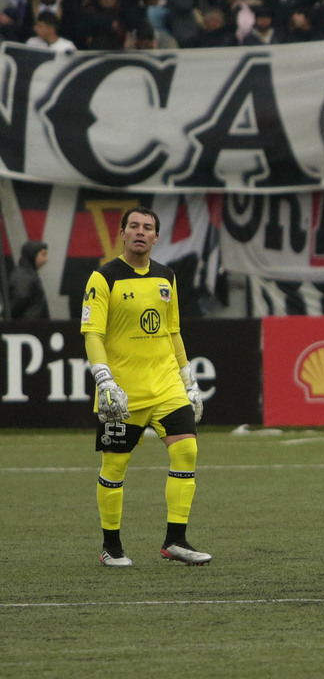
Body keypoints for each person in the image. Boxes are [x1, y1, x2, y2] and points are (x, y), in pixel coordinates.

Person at [81, 207, 208, 567]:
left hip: (166, 385)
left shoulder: (167, 277)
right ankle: (111, 547)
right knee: (115, 468)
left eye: (147, 227)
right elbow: (93, 333)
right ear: (121, 233)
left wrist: (188, 379)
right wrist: (103, 378)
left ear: (156, 237)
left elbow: (173, 331)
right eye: (133, 226)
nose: (140, 232)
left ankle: (175, 541)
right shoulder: (102, 278)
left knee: (187, 453)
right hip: (123, 391)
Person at [7, 239, 48, 320]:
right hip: (27, 326)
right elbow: (20, 298)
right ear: (32, 254)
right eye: (43, 255)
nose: (46, 259)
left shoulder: (27, 273)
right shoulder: (24, 275)